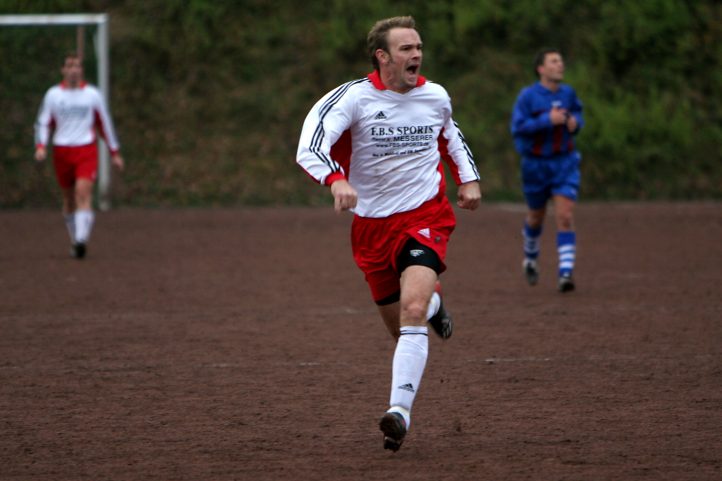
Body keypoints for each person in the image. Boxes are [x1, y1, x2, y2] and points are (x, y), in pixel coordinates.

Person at [296, 16, 481, 452]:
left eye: (419, 47)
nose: (417, 55)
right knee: (402, 328)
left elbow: (450, 136)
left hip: (425, 216)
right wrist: (336, 180)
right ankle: (434, 304)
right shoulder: (353, 98)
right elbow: (311, 144)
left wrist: (468, 179)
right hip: (371, 228)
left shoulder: (435, 96)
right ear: (382, 56)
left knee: (410, 310)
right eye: (406, 49)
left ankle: (398, 413)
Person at [34, 53, 124, 259]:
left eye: (77, 66)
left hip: (86, 149)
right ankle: (76, 239)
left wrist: (114, 152)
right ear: (63, 70)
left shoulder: (92, 95)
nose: (73, 70)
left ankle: (81, 240)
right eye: (69, 66)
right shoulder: (53, 95)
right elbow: (43, 122)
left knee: (83, 192)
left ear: (82, 70)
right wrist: (41, 146)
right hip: (62, 150)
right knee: (68, 200)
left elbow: (104, 123)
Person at [510, 48, 584, 292]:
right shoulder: (528, 97)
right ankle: (530, 257)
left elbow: (578, 116)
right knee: (535, 216)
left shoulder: (568, 93)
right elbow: (518, 128)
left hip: (564, 162)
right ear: (541, 68)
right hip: (535, 165)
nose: (560, 65)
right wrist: (546, 120)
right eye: (554, 61)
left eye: (561, 61)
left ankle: (566, 273)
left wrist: (574, 123)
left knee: (565, 215)